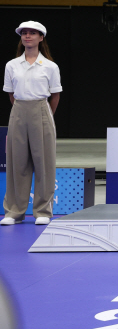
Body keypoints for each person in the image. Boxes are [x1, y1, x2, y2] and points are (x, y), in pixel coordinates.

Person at [1, 21, 61, 226]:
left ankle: (42, 210)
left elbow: (55, 95)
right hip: (18, 110)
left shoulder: (50, 66)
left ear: (41, 38)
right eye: (24, 33)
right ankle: (14, 211)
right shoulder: (11, 65)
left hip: (42, 110)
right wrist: (22, 110)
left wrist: (45, 116)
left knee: (44, 163)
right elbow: (11, 94)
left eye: (32, 33)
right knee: (17, 162)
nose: (28, 36)